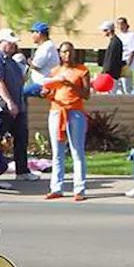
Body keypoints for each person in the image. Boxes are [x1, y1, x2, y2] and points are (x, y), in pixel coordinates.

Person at [41, 41, 90, 201]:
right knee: (57, 152)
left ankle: (79, 189)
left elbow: (86, 94)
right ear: (60, 54)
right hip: (57, 111)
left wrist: (71, 85)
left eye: (69, 52)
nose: (67, 55)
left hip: (75, 112)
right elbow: (50, 91)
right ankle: (56, 187)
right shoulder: (55, 71)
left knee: (77, 151)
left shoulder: (82, 70)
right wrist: (45, 92)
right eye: (63, 52)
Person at [0, 29, 35, 180]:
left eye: (14, 43)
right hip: (2, 108)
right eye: (9, 42)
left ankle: (22, 171)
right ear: (0, 42)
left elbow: (20, 81)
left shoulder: (11, 61)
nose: (12, 45)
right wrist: (9, 102)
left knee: (21, 138)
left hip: (17, 107)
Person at [22, 22, 58, 98]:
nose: (32, 35)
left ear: (39, 33)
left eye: (33, 32)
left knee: (19, 93)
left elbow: (36, 66)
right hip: (41, 82)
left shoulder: (46, 47)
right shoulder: (48, 46)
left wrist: (29, 62)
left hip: (42, 83)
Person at [114, 17, 134, 94]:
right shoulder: (118, 36)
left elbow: (133, 50)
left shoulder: (131, 35)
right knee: (118, 85)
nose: (120, 26)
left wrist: (129, 64)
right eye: (118, 24)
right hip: (119, 62)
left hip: (127, 62)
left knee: (126, 86)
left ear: (126, 24)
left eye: (122, 24)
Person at [99, 21, 123, 94]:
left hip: (111, 74)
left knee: (110, 94)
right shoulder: (115, 41)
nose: (102, 32)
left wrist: (105, 72)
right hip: (113, 74)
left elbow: (111, 59)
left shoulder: (115, 42)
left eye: (104, 30)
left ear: (109, 30)